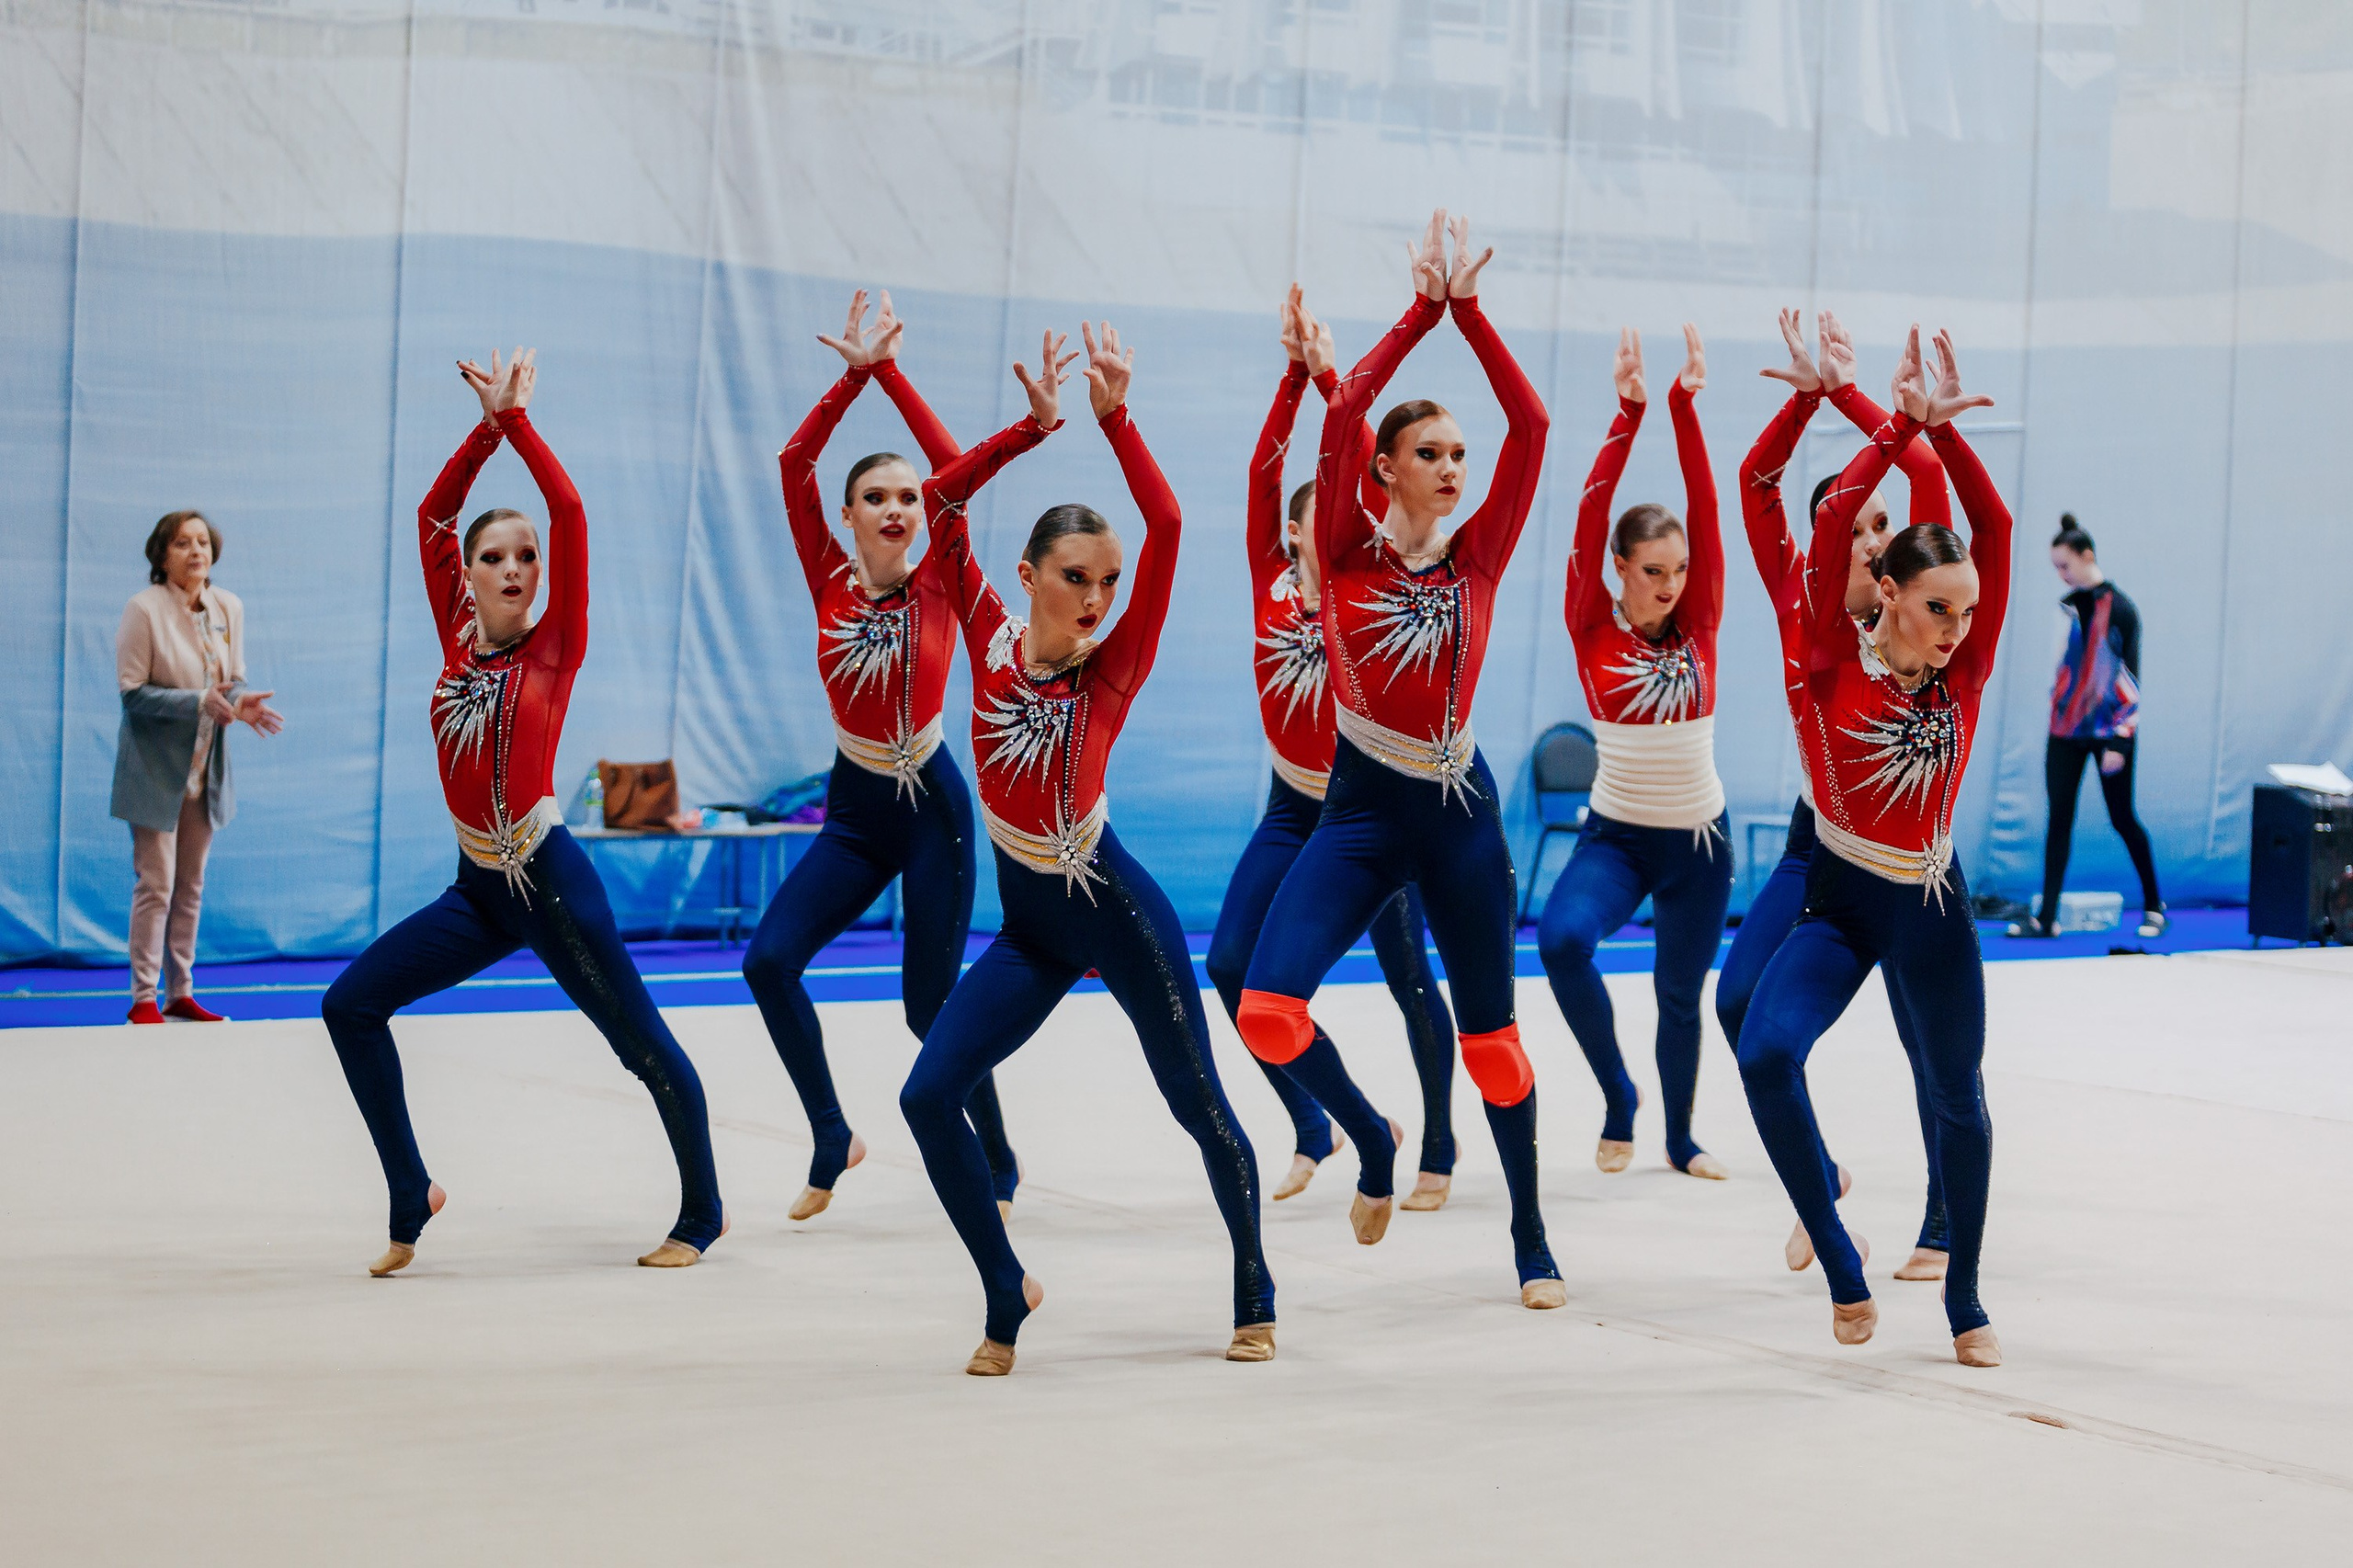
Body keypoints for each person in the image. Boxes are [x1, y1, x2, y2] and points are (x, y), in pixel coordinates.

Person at [899, 322, 1277, 1375]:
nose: (1099, 598)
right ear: (1028, 574)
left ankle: (1254, 1282)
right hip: (1030, 923)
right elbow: (940, 504)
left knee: (1197, 1100)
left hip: (1112, 905)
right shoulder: (979, 627)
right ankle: (1004, 1290)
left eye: (1109, 580)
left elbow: (1165, 517)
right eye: (1077, 576)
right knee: (928, 1097)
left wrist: (1119, 421)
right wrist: (1030, 429)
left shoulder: (1111, 667)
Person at [321, 349, 724, 1278]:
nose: (512, 569)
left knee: (642, 1048)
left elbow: (572, 511)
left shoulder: (555, 646)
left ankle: (702, 1211)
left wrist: (520, 425)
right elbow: (431, 513)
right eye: (492, 557)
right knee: (350, 1003)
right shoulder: (457, 639)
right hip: (478, 886)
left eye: (525, 556)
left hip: (548, 879)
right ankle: (409, 1189)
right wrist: (483, 429)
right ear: (464, 574)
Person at [1235, 210, 1565, 1310]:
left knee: (1496, 1049)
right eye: (1430, 452)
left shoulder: (1478, 553)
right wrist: (1417, 312)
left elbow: (1531, 420)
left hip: (1458, 810)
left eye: (1459, 455)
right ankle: (1369, 1133)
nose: (1453, 468)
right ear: (1382, 469)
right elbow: (1337, 415)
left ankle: (1527, 1227)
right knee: (1265, 1008)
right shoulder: (1337, 548)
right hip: (1360, 805)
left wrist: (1467, 314)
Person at [1733, 325, 2009, 1369]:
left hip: (1930, 902)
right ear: (1885, 588)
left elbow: (1990, 521)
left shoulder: (1964, 671)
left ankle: (1966, 1291)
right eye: (1938, 609)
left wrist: (1933, 430)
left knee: (1956, 1093)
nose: (1954, 629)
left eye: (1966, 612)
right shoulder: (1818, 651)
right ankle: (1842, 1261)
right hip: (1840, 891)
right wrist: (1870, 410)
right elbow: (1836, 512)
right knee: (1761, 1045)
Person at [746, 290, 1021, 1223]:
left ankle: (1001, 1158)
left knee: (927, 1005)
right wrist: (849, 378)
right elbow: (793, 458)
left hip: (932, 806)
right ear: (850, 513)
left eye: (909, 496)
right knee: (769, 960)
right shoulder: (826, 571)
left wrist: (893, 374)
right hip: (856, 805)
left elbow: (953, 470)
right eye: (879, 497)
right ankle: (831, 1130)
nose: (900, 506)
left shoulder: (944, 570)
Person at [1205, 285, 1459, 1210]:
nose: (1316, 529)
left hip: (1369, 807)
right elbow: (1259, 476)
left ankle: (1436, 1140)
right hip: (1292, 804)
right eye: (1303, 519)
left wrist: (1328, 385)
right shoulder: (1271, 582)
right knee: (1232, 968)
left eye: (1333, 514)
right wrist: (1289, 377)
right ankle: (1333, 1120)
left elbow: (1351, 450)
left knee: (1408, 978)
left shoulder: (1369, 583)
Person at [1538, 323, 1733, 1182]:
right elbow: (1587, 509)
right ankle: (1619, 1093)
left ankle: (1682, 1139)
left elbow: (1708, 499)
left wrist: (1687, 409)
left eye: (1679, 570)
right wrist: (1629, 414)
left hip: (1699, 843)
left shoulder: (1703, 620)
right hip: (1616, 837)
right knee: (1561, 942)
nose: (1669, 585)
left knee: (1680, 995)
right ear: (1618, 568)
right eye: (1652, 570)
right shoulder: (1590, 622)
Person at [112, 511, 283, 1024]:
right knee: (157, 885)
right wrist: (197, 702)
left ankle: (180, 991)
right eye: (183, 543)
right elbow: (133, 695)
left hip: (207, 770)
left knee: (190, 886)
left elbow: (230, 681)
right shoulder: (143, 610)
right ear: (161, 555)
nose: (196, 551)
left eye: (203, 542)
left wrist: (239, 701)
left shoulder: (229, 606)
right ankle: (144, 997)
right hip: (154, 771)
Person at [2011, 516, 2165, 939]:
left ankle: (2154, 905)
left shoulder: (2122, 609)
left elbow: (2130, 678)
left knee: (2122, 817)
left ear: (2087, 556)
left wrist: (2121, 740)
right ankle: (2046, 918)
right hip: (2065, 730)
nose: (2062, 575)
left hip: (2108, 732)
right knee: (2058, 818)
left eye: (2065, 565)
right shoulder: (2067, 608)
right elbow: (2060, 666)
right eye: (2056, 569)